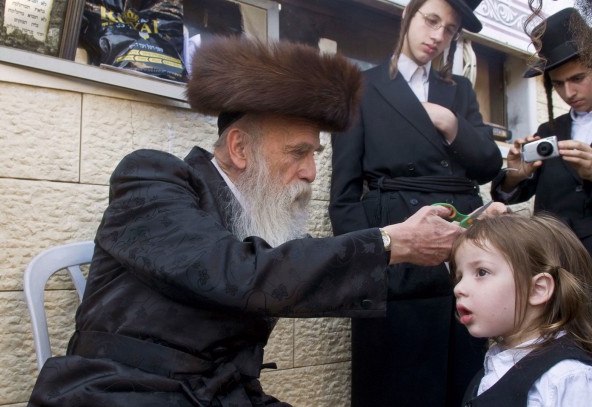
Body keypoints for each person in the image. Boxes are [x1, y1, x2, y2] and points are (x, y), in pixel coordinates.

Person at [25, 35, 495, 406]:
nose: (311, 171)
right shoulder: (150, 178)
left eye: (315, 153)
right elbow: (234, 271)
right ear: (239, 149)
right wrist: (391, 241)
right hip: (120, 393)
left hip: (219, 396)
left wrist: (458, 250)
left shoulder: (260, 220)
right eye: (298, 152)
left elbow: (323, 278)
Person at [328, 0, 502, 405]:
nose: (438, 36)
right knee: (399, 380)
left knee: (463, 374)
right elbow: (344, 195)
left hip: (461, 246)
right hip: (399, 250)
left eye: (450, 30)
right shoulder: (360, 85)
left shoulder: (457, 90)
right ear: (408, 16)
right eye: (431, 20)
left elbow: (490, 165)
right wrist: (371, 261)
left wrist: (451, 123)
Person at [450, 213, 592, 406]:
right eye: (459, 276)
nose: (459, 288)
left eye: (481, 272)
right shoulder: (498, 361)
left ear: (537, 289)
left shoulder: (565, 377)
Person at [491, 8, 592, 257]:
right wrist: (516, 174)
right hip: (553, 259)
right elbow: (510, 195)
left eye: (578, 78)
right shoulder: (549, 132)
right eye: (558, 83)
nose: (569, 93)